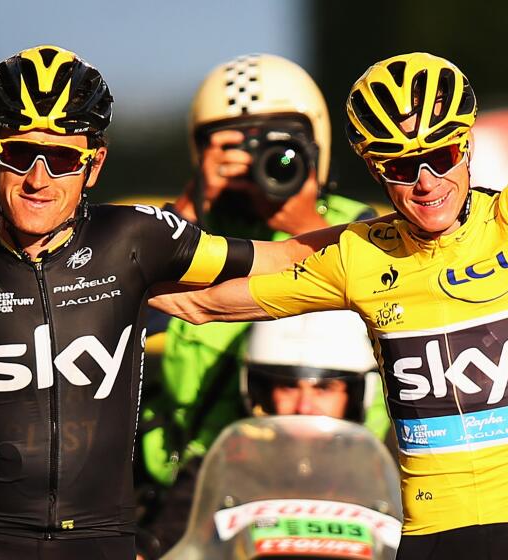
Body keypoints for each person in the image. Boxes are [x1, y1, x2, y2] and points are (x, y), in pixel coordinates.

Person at [149, 19, 508, 560]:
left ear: (467, 147)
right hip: (432, 537)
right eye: (401, 167)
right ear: (376, 171)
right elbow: (203, 302)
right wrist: (97, 262)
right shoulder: (360, 252)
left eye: (441, 158)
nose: (426, 182)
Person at [0, 45, 326, 560]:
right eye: (20, 154)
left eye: (65, 158)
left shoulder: (133, 239)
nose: (39, 179)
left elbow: (284, 259)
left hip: (102, 541)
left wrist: (396, 243)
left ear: (94, 165)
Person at [136, 52, 388, 513]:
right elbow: (124, 313)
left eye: (283, 150)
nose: (261, 166)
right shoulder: (189, 239)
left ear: (318, 145)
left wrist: (305, 226)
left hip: (337, 483)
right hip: (197, 487)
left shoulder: (362, 230)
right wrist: (189, 214)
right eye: (235, 151)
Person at [139, 310, 385, 557]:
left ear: (355, 395)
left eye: (324, 388)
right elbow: (168, 535)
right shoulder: (224, 465)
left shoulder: (382, 473)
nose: (304, 406)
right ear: (260, 390)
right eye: (288, 386)